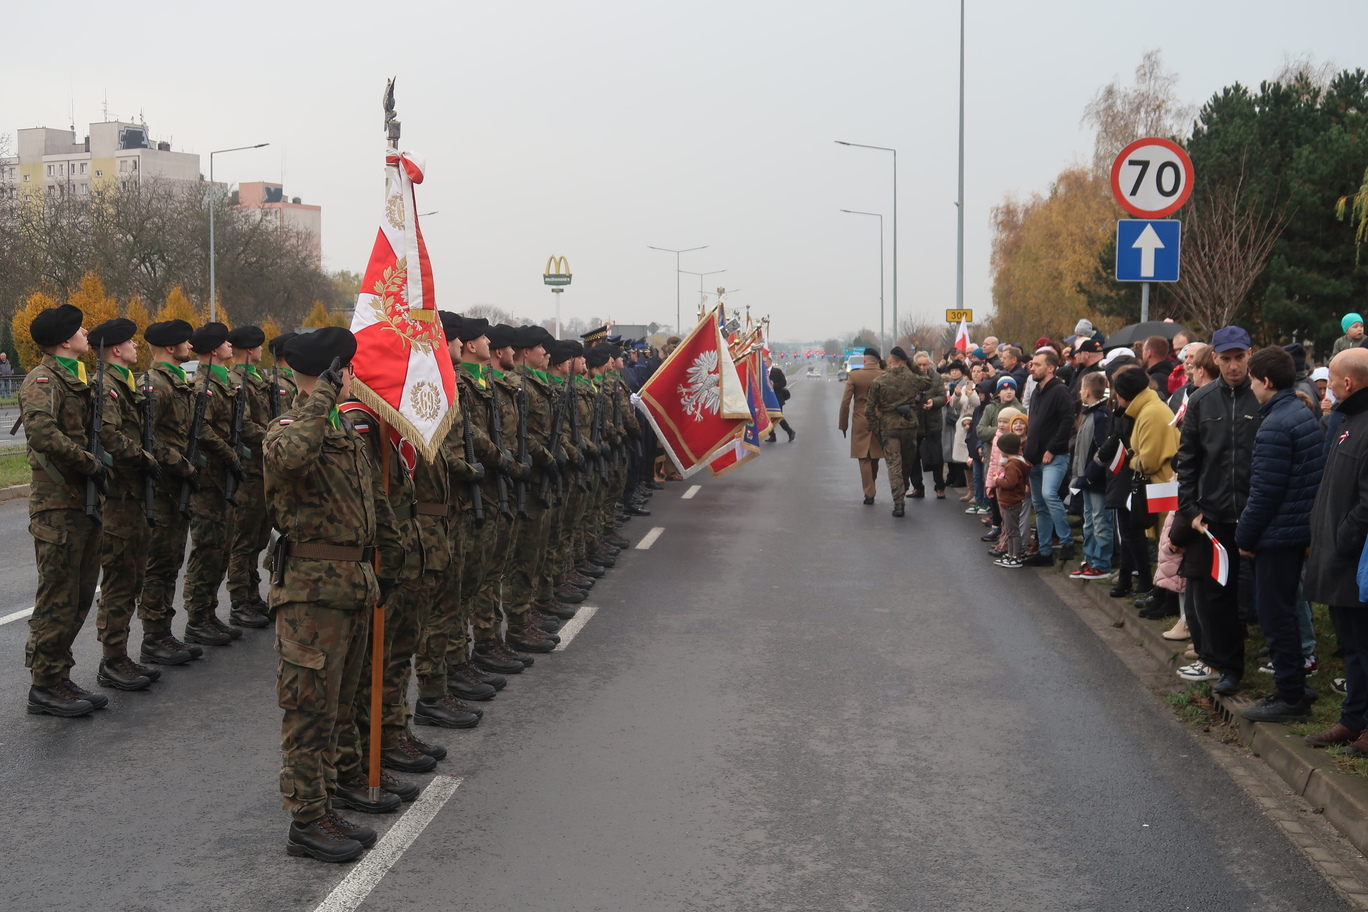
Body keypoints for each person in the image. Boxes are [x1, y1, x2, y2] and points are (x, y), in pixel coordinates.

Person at [264, 326, 402, 862]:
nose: (352, 379)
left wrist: (390, 561)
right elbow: (295, 456)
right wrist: (322, 394)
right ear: (329, 373)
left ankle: (322, 802)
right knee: (308, 711)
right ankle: (304, 821)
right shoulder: (287, 427)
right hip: (310, 596)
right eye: (345, 371)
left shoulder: (343, 429)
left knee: (337, 709)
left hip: (351, 586)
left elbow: (373, 501)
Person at [20, 304, 110, 717]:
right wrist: (88, 461)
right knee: (57, 597)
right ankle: (44, 685)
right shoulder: (43, 379)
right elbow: (41, 432)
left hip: (84, 502)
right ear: (63, 341)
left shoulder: (77, 379)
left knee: (77, 597)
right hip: (57, 506)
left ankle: (58, 674)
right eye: (79, 328)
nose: (86, 331)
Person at [1236, 346, 1324, 723]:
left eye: (1253, 380)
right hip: (1294, 530)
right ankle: (1297, 688)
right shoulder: (1300, 414)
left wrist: (1244, 537)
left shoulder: (1275, 424)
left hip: (1276, 535)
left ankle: (1289, 697)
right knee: (1286, 613)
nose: (1251, 387)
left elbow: (1266, 491)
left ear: (1266, 382)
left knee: (1275, 618)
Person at [1174, 325, 1259, 697]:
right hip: (1215, 517)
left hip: (1258, 513)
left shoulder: (1262, 397)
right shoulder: (1202, 400)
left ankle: (1289, 664)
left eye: (1239, 357)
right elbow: (1188, 459)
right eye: (1226, 359)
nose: (1233, 365)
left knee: (1262, 595)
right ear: (1216, 359)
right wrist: (1190, 508)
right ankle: (1228, 667)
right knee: (1218, 595)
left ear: (1249, 355)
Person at [89, 318, 160, 692]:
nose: (136, 346)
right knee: (119, 579)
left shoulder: (126, 386)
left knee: (134, 577)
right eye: (130, 342)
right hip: (118, 499)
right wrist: (144, 458)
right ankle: (112, 659)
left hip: (133, 497)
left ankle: (121, 655)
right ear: (116, 349)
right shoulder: (105, 387)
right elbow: (110, 436)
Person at [1305, 347, 1368, 753]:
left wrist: (1342, 539)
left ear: (1346, 383)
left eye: (1332, 381)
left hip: (1355, 559)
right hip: (1339, 557)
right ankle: (1352, 719)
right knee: (1352, 645)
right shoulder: (1349, 420)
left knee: (1365, 645)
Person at [136, 320, 200, 668]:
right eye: (183, 341)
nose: (189, 344)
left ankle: (163, 630)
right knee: (158, 564)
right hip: (162, 486)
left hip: (177, 487)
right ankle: (153, 636)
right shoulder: (155, 385)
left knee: (172, 560)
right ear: (170, 347)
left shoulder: (176, 382)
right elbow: (148, 438)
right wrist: (181, 464)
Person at [180, 323, 243, 647]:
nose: (230, 344)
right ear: (214, 350)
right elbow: (201, 430)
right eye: (224, 342)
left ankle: (208, 613)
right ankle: (196, 618)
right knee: (206, 550)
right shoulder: (203, 384)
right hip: (208, 481)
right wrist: (230, 454)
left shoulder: (223, 382)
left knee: (222, 549)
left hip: (223, 480)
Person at [225, 325, 273, 630]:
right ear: (249, 349)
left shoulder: (257, 379)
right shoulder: (237, 382)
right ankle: (238, 600)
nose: (260, 350)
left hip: (262, 469)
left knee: (257, 538)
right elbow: (241, 425)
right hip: (249, 469)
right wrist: (274, 436)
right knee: (243, 540)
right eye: (257, 346)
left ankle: (252, 593)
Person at [864, 346, 932, 517]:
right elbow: (927, 381)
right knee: (907, 463)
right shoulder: (911, 378)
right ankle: (904, 488)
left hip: (889, 426)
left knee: (894, 464)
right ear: (904, 361)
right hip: (909, 424)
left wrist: (875, 428)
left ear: (889, 361)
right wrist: (912, 365)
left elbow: (869, 408)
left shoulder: (880, 381)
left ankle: (899, 502)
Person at [1022, 348, 1074, 566]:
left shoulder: (1060, 391)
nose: (1032, 367)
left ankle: (1066, 542)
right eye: (1031, 364)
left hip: (1054, 457)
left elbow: (1067, 422)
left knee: (1049, 495)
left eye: (1037, 364)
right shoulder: (1036, 391)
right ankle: (1044, 552)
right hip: (1034, 459)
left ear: (1051, 368)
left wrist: (1052, 448)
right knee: (1040, 505)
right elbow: (1034, 423)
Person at [1069, 371, 1112, 581]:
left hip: (1096, 480)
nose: (1078, 392)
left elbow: (1103, 450)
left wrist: (1090, 473)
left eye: (1080, 389)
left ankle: (1102, 563)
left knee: (1100, 521)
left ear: (1087, 392)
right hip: (1085, 479)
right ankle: (1090, 559)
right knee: (1089, 521)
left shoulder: (1100, 416)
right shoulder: (1087, 414)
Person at [838, 348, 884, 505]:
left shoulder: (855, 376)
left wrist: (843, 424)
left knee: (864, 457)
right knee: (876, 455)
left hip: (860, 418)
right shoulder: (884, 375)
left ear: (864, 361)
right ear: (877, 360)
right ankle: (872, 483)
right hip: (880, 417)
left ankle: (869, 492)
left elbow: (845, 402)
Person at [910, 351, 946, 498]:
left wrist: (933, 402)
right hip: (915, 423)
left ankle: (940, 487)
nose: (922, 367)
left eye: (925, 364)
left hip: (933, 422)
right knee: (913, 457)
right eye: (919, 365)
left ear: (929, 364)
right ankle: (918, 487)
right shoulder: (910, 378)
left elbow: (943, 397)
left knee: (936, 456)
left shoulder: (936, 378)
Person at [992, 432, 1029, 569]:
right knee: (1009, 530)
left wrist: (997, 480)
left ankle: (1016, 556)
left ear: (1005, 450)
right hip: (1010, 502)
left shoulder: (1012, 465)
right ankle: (1011, 554)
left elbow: (1010, 483)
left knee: (1013, 531)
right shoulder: (1016, 463)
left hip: (1011, 502)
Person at [765, 356, 795, 442]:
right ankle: (772, 435)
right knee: (767, 418)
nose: (764, 363)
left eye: (765, 361)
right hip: (766, 399)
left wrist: (774, 385)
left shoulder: (776, 371)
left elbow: (783, 382)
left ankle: (790, 431)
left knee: (778, 417)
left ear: (770, 362)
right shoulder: (762, 372)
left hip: (777, 398)